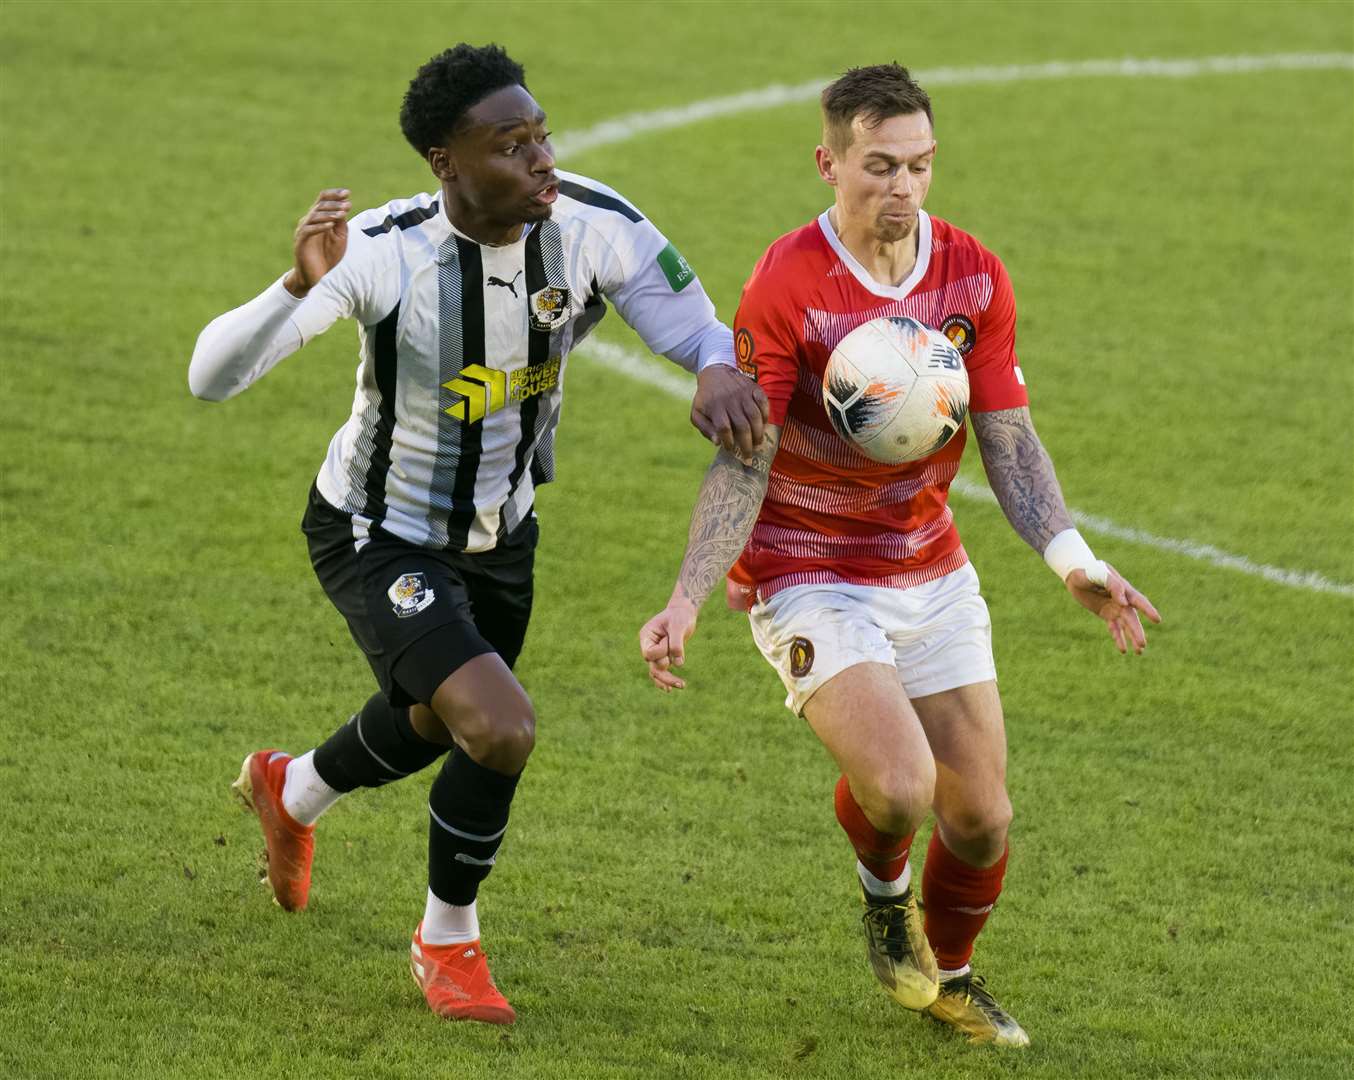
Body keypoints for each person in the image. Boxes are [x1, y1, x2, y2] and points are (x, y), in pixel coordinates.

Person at [188, 43, 767, 1025]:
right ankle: (445, 940)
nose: (540, 159)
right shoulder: (382, 252)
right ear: (444, 160)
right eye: (511, 145)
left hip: (505, 534)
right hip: (376, 531)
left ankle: (288, 794)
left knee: (431, 724)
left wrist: (713, 368)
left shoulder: (593, 224)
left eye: (542, 136)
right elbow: (211, 376)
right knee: (497, 726)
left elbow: (701, 328)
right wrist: (294, 286)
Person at [638, 63, 1160, 1047]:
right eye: (880, 167)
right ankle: (886, 903)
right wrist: (687, 596)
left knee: (981, 820)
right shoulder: (787, 283)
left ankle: (952, 975)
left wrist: (1071, 559)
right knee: (901, 788)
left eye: (920, 166)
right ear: (828, 162)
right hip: (805, 571)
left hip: (928, 565)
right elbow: (741, 461)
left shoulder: (972, 274)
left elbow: (1007, 440)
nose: (903, 188)